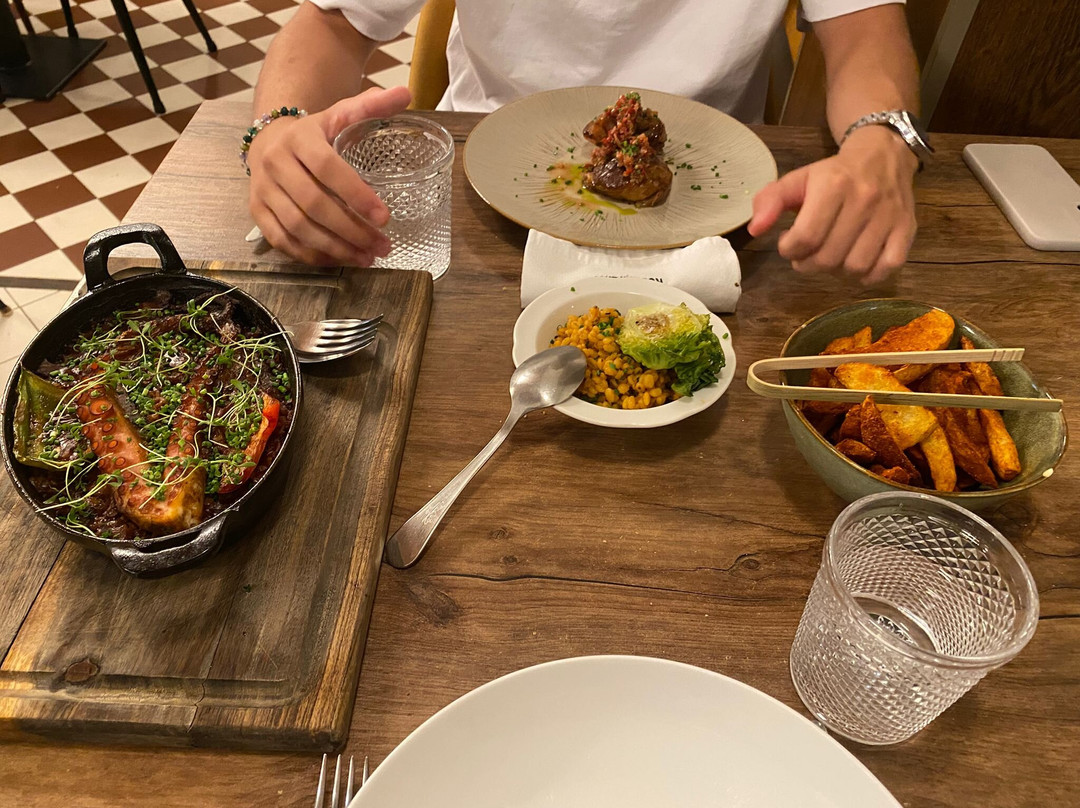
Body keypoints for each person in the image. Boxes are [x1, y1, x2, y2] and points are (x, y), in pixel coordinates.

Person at [248, 1, 922, 284]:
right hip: (471, 217)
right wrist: (276, 131)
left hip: (717, 226)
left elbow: (866, 29)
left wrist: (882, 139)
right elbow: (331, 25)